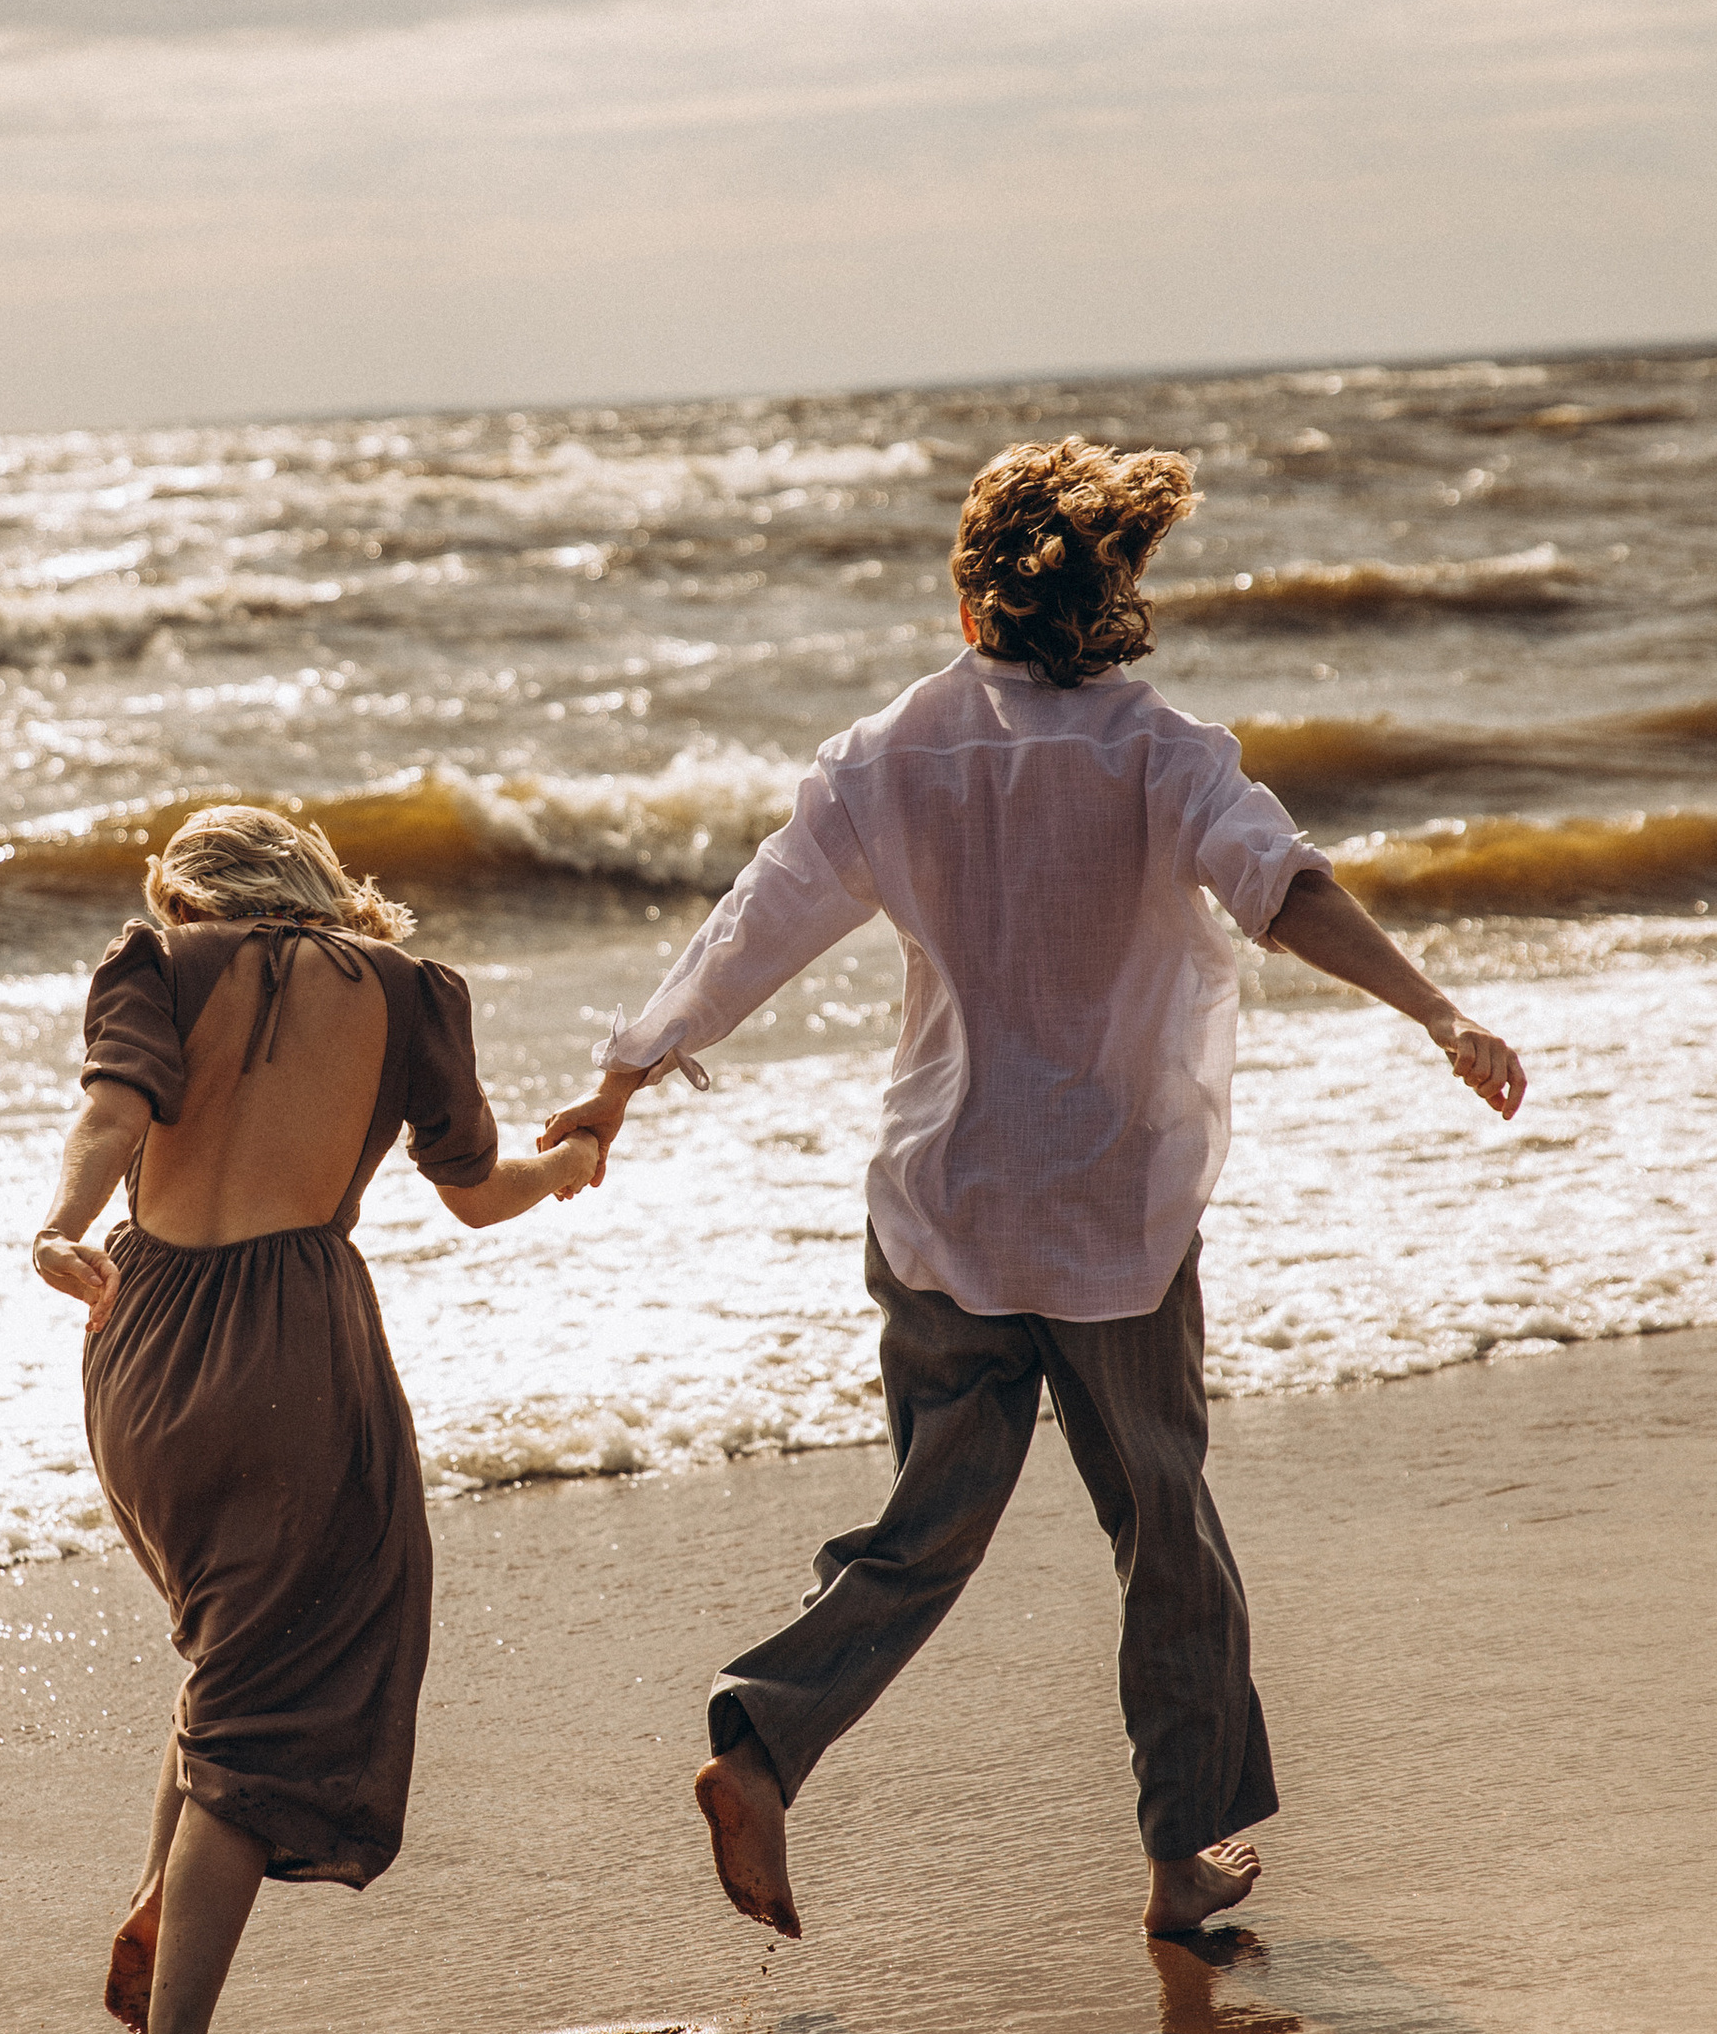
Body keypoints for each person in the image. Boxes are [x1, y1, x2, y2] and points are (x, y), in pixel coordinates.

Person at [542, 439, 1527, 1945]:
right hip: (1114, 1217)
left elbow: (761, 919)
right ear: (1116, 592)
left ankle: (762, 1745)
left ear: (971, 596)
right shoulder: (1163, 750)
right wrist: (1439, 1011)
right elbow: (1286, 889)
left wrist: (626, 1073)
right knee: (1166, 1528)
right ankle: (1179, 1855)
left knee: (930, 1524)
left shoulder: (889, 753)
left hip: (942, 1205)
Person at [34, 804, 601, 2034]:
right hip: (292, 1347)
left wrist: (63, 1228)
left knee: (229, 1651)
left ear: (194, 895)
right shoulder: (409, 993)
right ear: (320, 885)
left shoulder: (156, 967)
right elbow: (473, 1187)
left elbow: (114, 1112)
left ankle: (163, 1902)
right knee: (266, 1693)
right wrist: (569, 1167)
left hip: (141, 1335)